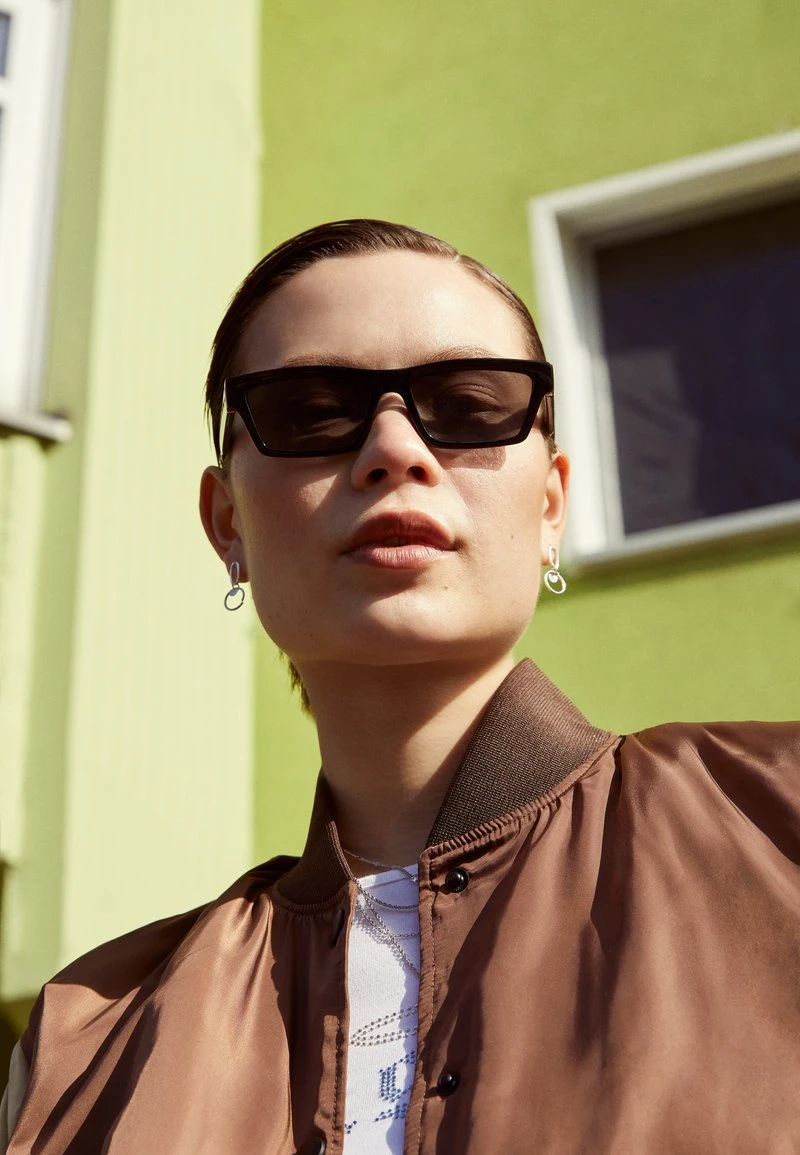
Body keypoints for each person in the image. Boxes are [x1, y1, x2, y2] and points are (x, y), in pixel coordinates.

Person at [2, 219, 799, 1154]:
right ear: (227, 524)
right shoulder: (84, 1045)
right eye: (310, 412)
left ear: (550, 505)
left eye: (468, 403)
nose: (393, 449)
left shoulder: (776, 821)